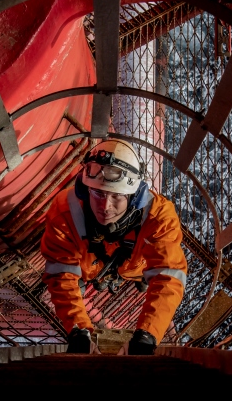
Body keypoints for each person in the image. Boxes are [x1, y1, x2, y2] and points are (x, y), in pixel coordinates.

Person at [41, 139, 188, 355]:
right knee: (75, 280)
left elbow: (168, 276)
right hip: (90, 267)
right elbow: (61, 274)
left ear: (132, 195)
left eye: (116, 196)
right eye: (98, 193)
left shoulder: (159, 217)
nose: (105, 206)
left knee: (150, 279)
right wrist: (79, 331)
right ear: (86, 189)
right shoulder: (65, 211)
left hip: (131, 269)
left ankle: (137, 279)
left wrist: (147, 334)